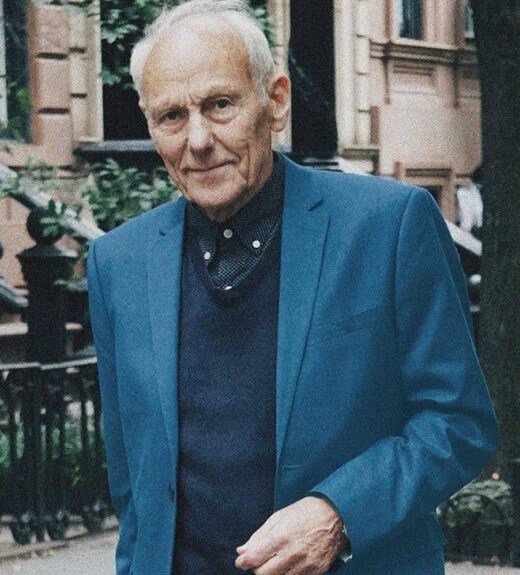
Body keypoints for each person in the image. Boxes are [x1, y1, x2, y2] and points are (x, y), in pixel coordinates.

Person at [85, 0, 498, 573]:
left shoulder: (389, 225)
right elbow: (133, 485)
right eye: (172, 116)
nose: (198, 139)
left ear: (275, 100)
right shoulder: (116, 263)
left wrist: (340, 514)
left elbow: (459, 423)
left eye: (220, 104)